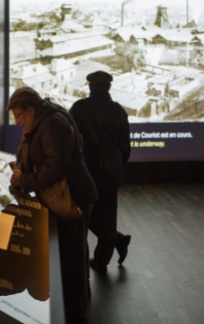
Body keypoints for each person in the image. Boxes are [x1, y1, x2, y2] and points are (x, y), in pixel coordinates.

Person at [8, 87, 97, 324]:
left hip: (73, 198)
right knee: (75, 254)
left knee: (73, 259)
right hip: (69, 196)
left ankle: (76, 314)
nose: (17, 122)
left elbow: (55, 165)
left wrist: (25, 181)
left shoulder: (52, 123)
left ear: (30, 110)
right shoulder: (45, 118)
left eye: (19, 116)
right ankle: (79, 304)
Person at [70, 70, 132, 274]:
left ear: (90, 87)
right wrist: (116, 165)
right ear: (109, 87)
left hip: (86, 170)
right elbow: (125, 147)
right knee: (108, 215)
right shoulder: (119, 111)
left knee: (83, 214)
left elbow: (71, 142)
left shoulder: (79, 108)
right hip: (112, 171)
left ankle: (112, 246)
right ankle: (106, 254)